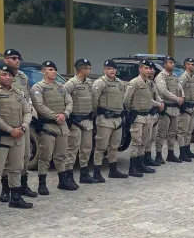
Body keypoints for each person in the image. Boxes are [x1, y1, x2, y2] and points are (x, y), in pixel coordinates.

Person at [0, 49, 37, 202]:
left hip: (21, 124)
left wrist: (24, 124)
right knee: (3, 162)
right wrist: (9, 129)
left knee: (24, 156)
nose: (17, 60)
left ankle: (21, 186)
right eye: (13, 58)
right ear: (5, 60)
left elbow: (26, 99)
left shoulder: (22, 77)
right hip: (4, 127)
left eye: (18, 58)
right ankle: (5, 189)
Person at [30, 61, 75, 194]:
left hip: (62, 126)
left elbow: (69, 102)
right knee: (45, 156)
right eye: (50, 69)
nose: (53, 72)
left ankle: (63, 181)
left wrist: (65, 114)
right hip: (48, 126)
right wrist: (55, 116)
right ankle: (42, 184)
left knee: (61, 155)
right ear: (43, 71)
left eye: (54, 70)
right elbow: (39, 106)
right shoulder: (38, 88)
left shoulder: (61, 87)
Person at [91, 59, 128, 180]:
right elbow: (94, 101)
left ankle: (113, 170)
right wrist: (97, 114)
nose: (111, 71)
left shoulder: (120, 83)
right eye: (109, 69)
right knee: (101, 147)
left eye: (113, 68)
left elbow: (123, 99)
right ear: (104, 70)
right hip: (105, 120)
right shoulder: (100, 83)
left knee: (114, 146)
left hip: (117, 119)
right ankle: (96, 172)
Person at [125, 60, 162, 176]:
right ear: (140, 69)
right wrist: (132, 111)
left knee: (144, 141)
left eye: (150, 68)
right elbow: (126, 100)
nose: (149, 70)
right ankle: (132, 167)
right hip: (138, 116)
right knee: (136, 141)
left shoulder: (148, 83)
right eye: (146, 68)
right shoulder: (134, 82)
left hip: (147, 115)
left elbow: (148, 99)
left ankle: (140, 164)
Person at [64, 58, 96, 186]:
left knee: (86, 148)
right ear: (82, 69)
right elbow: (64, 101)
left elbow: (93, 100)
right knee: (72, 149)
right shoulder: (70, 84)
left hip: (87, 120)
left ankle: (84, 173)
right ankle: (68, 175)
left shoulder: (89, 83)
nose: (90, 70)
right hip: (75, 121)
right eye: (88, 68)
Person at [155, 56, 185, 162]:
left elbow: (180, 88)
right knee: (162, 133)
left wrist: (182, 97)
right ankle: (158, 154)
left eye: (173, 62)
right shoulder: (161, 76)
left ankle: (171, 153)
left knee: (173, 132)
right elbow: (163, 91)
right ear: (165, 64)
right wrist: (177, 99)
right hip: (166, 108)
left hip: (175, 108)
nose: (172, 64)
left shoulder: (175, 76)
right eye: (170, 62)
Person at [177, 58, 194, 160]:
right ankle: (182, 152)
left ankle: (187, 149)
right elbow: (178, 89)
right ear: (186, 65)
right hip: (186, 107)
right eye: (191, 64)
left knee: (190, 131)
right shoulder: (184, 77)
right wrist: (181, 102)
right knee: (182, 131)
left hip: (193, 106)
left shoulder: (193, 77)